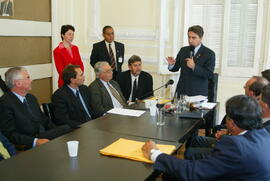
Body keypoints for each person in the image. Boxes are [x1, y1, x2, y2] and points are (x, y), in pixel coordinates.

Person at [142, 95, 270, 181]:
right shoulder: (264, 135)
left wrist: (155, 153)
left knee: (171, 174)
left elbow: (193, 172)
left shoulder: (235, 146)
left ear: (232, 123)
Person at [185, 76, 269, 160]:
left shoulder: (263, 123)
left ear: (265, 106)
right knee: (196, 140)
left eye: (260, 99)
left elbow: (245, 139)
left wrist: (227, 135)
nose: (258, 101)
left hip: (234, 150)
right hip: (233, 141)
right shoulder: (259, 114)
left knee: (190, 152)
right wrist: (229, 132)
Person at [0, 67, 72, 149]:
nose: (31, 80)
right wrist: (34, 141)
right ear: (18, 83)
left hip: (43, 136)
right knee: (66, 129)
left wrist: (57, 131)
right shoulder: (5, 103)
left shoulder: (31, 98)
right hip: (28, 142)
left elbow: (44, 120)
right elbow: (10, 134)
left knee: (66, 130)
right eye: (28, 78)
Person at [167, 25, 215, 97]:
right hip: (182, 91)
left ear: (201, 38)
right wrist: (172, 65)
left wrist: (194, 67)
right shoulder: (183, 50)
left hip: (198, 94)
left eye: (193, 37)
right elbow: (175, 68)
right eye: (189, 37)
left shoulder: (209, 54)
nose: (190, 40)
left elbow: (209, 74)